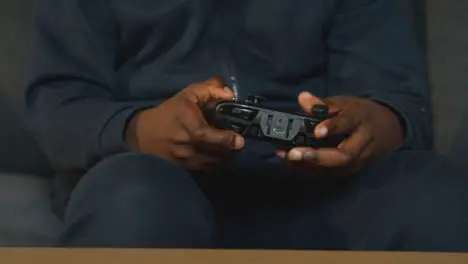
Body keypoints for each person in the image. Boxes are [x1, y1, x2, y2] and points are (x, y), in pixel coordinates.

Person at [26, 0, 468, 251]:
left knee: (430, 190)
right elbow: (59, 107)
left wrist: (372, 124)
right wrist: (140, 130)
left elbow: (400, 107)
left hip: (324, 194)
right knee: (132, 194)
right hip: (150, 184)